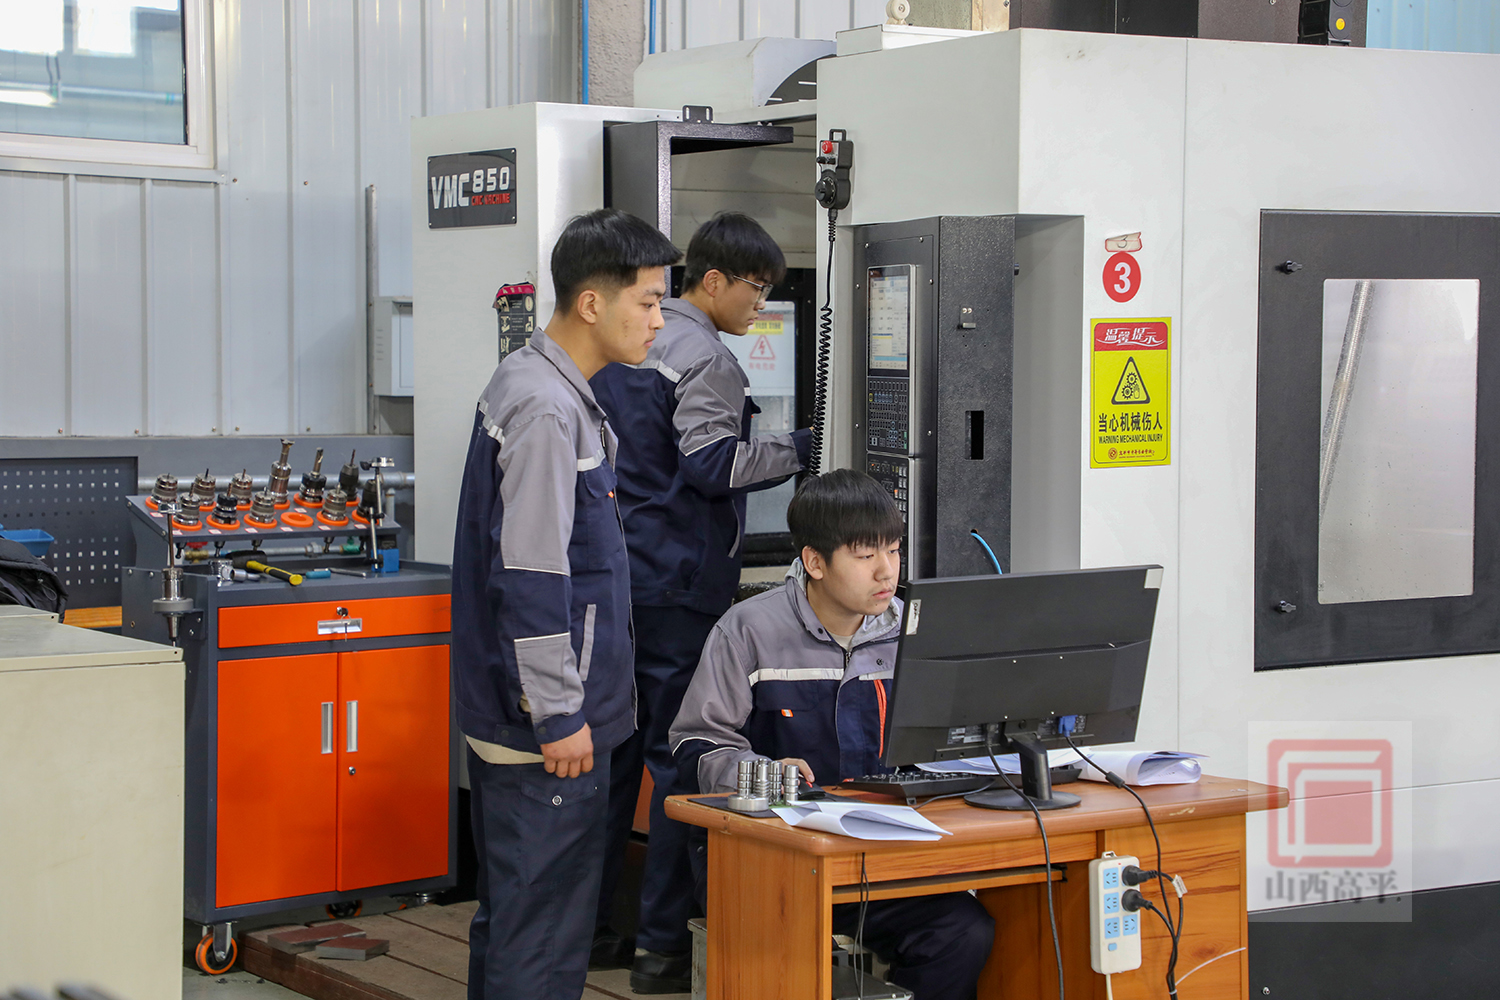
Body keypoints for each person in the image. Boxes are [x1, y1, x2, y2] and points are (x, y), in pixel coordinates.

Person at [450, 208, 681, 1000]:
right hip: (544, 729)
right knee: (543, 942)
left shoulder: (538, 383)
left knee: (517, 925)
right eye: (648, 301)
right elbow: (532, 574)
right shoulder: (547, 408)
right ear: (591, 303)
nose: (658, 320)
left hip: (530, 715)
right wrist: (557, 713)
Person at [668, 470, 996, 1000]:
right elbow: (696, 742)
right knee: (791, 955)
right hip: (770, 858)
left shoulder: (912, 632)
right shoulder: (748, 630)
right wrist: (762, 775)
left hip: (882, 854)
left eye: (894, 550)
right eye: (865, 555)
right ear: (814, 562)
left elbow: (953, 737)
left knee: (963, 930)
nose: (886, 570)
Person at [589, 212, 812, 992]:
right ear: (712, 280)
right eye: (756, 288)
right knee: (680, 761)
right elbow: (713, 464)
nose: (761, 305)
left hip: (619, 578)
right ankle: (661, 951)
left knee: (615, 758)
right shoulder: (705, 356)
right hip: (679, 586)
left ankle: (594, 933)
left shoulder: (624, 346)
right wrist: (803, 448)